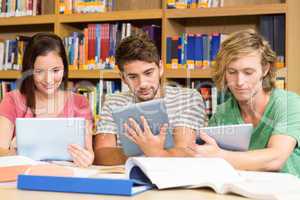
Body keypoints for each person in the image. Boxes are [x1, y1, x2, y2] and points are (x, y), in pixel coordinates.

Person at [189, 29, 300, 177]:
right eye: (232, 72)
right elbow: (205, 159)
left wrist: (220, 156)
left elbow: (275, 159)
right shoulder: (222, 113)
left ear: (265, 69)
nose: (239, 82)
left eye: (248, 72)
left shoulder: (288, 103)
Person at [94, 34, 206, 165]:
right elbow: (102, 154)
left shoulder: (188, 98)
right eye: (133, 77)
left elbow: (185, 153)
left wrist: (151, 152)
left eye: (148, 73)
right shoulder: (113, 102)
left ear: (161, 68)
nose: (143, 84)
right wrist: (150, 152)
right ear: (123, 78)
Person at [0, 33, 94, 167]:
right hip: (24, 176)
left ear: (65, 69)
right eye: (39, 71)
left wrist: (87, 158)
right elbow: (1, 151)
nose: (48, 80)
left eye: (55, 70)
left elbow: (89, 152)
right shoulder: (12, 100)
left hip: (67, 177)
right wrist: (14, 153)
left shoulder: (80, 103)